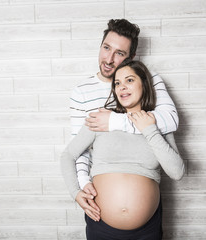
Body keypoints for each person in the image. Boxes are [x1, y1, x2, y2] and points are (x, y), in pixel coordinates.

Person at [62, 59, 185, 239]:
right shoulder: (101, 119)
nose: (122, 87)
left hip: (147, 230)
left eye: (129, 80)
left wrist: (149, 129)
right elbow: (68, 155)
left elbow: (177, 172)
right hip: (101, 226)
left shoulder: (158, 123)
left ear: (144, 84)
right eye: (117, 83)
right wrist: (75, 192)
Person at [70, 19, 179, 222]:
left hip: (147, 214)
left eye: (119, 53)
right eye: (106, 48)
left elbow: (170, 120)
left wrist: (114, 122)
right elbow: (76, 149)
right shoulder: (81, 91)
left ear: (131, 57)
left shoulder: (148, 79)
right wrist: (82, 185)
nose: (109, 59)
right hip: (100, 207)